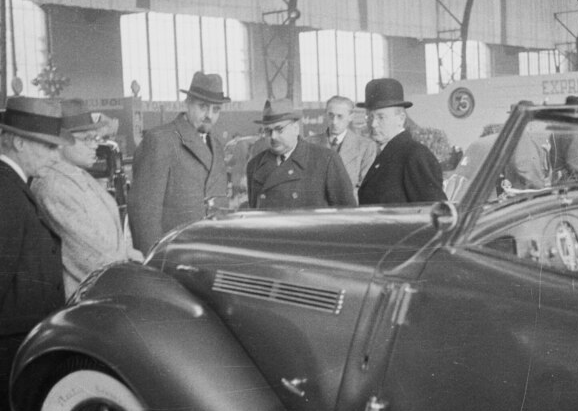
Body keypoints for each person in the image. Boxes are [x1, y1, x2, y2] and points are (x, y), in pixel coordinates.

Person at [0, 96, 69, 411]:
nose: (56, 156)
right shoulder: (5, 191)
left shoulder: (16, 185)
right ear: (16, 142)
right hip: (9, 351)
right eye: (46, 146)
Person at [31, 99, 143, 297]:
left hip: (107, 288)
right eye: (86, 139)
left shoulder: (78, 174)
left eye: (96, 138)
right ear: (59, 143)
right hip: (83, 299)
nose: (95, 145)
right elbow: (89, 254)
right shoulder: (53, 185)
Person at [128, 71, 230, 254]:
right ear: (188, 103)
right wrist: (154, 261)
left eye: (216, 109)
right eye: (203, 106)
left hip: (212, 252)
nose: (209, 115)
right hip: (175, 255)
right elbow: (144, 214)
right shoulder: (161, 140)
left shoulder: (217, 146)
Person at [246, 98, 356, 209]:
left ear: (295, 128)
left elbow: (347, 214)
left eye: (279, 129)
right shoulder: (255, 165)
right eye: (268, 131)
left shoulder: (325, 160)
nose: (273, 136)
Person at [357, 78, 446, 205]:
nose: (373, 124)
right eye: (370, 117)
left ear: (401, 118)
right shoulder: (387, 153)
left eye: (381, 117)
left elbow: (434, 212)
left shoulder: (415, 155)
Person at [306, 95, 376, 199]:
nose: (334, 121)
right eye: (331, 115)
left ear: (351, 117)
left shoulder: (366, 146)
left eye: (340, 116)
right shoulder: (308, 143)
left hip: (349, 208)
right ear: (325, 114)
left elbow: (364, 186)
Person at [500, 101, 549, 191]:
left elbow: (528, 167)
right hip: (526, 189)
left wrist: (537, 188)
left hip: (524, 192)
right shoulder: (535, 133)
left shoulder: (521, 135)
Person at [550, 95, 578, 184]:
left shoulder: (557, 129)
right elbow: (577, 165)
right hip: (574, 184)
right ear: (576, 110)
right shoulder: (574, 130)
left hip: (560, 182)